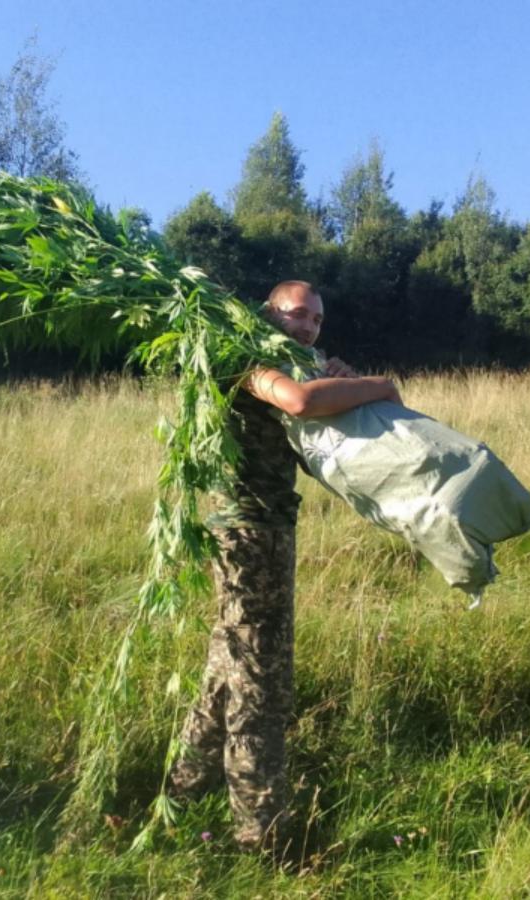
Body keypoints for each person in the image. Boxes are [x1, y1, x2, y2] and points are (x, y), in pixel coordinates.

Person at [165, 280, 400, 859]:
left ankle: (174, 804)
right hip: (248, 538)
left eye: (316, 322)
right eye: (297, 315)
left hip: (266, 533)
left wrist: (341, 386)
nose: (306, 328)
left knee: (228, 678)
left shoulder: (278, 367)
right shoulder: (245, 358)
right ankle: (262, 840)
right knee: (262, 691)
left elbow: (313, 443)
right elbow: (298, 402)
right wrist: (380, 386)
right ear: (268, 311)